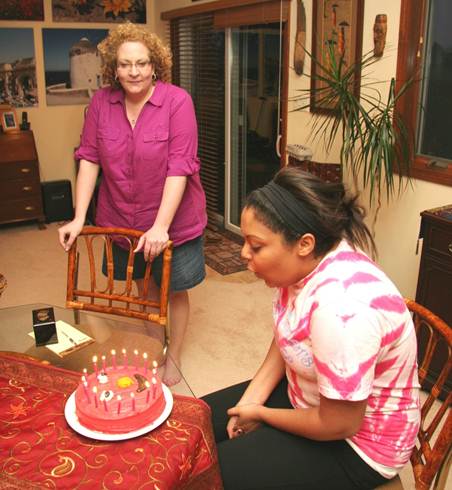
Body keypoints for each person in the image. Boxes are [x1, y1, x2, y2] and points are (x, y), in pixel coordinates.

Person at [202, 167, 420, 489]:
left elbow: (338, 424)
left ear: (304, 244)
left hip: (357, 444)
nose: (244, 253)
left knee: (215, 475)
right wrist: (252, 398)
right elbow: (287, 335)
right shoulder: (301, 268)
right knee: (197, 420)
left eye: (256, 246)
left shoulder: (342, 310)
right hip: (308, 398)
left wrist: (260, 414)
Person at [58, 22, 207, 386]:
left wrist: (160, 226)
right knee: (143, 283)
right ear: (114, 68)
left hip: (175, 219)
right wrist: (79, 217)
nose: (134, 71)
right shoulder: (100, 103)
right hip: (121, 216)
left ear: (155, 64)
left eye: (141, 63)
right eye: (125, 64)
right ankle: (155, 342)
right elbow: (89, 158)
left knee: (174, 287)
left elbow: (180, 166)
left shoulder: (177, 102)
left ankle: (174, 355)